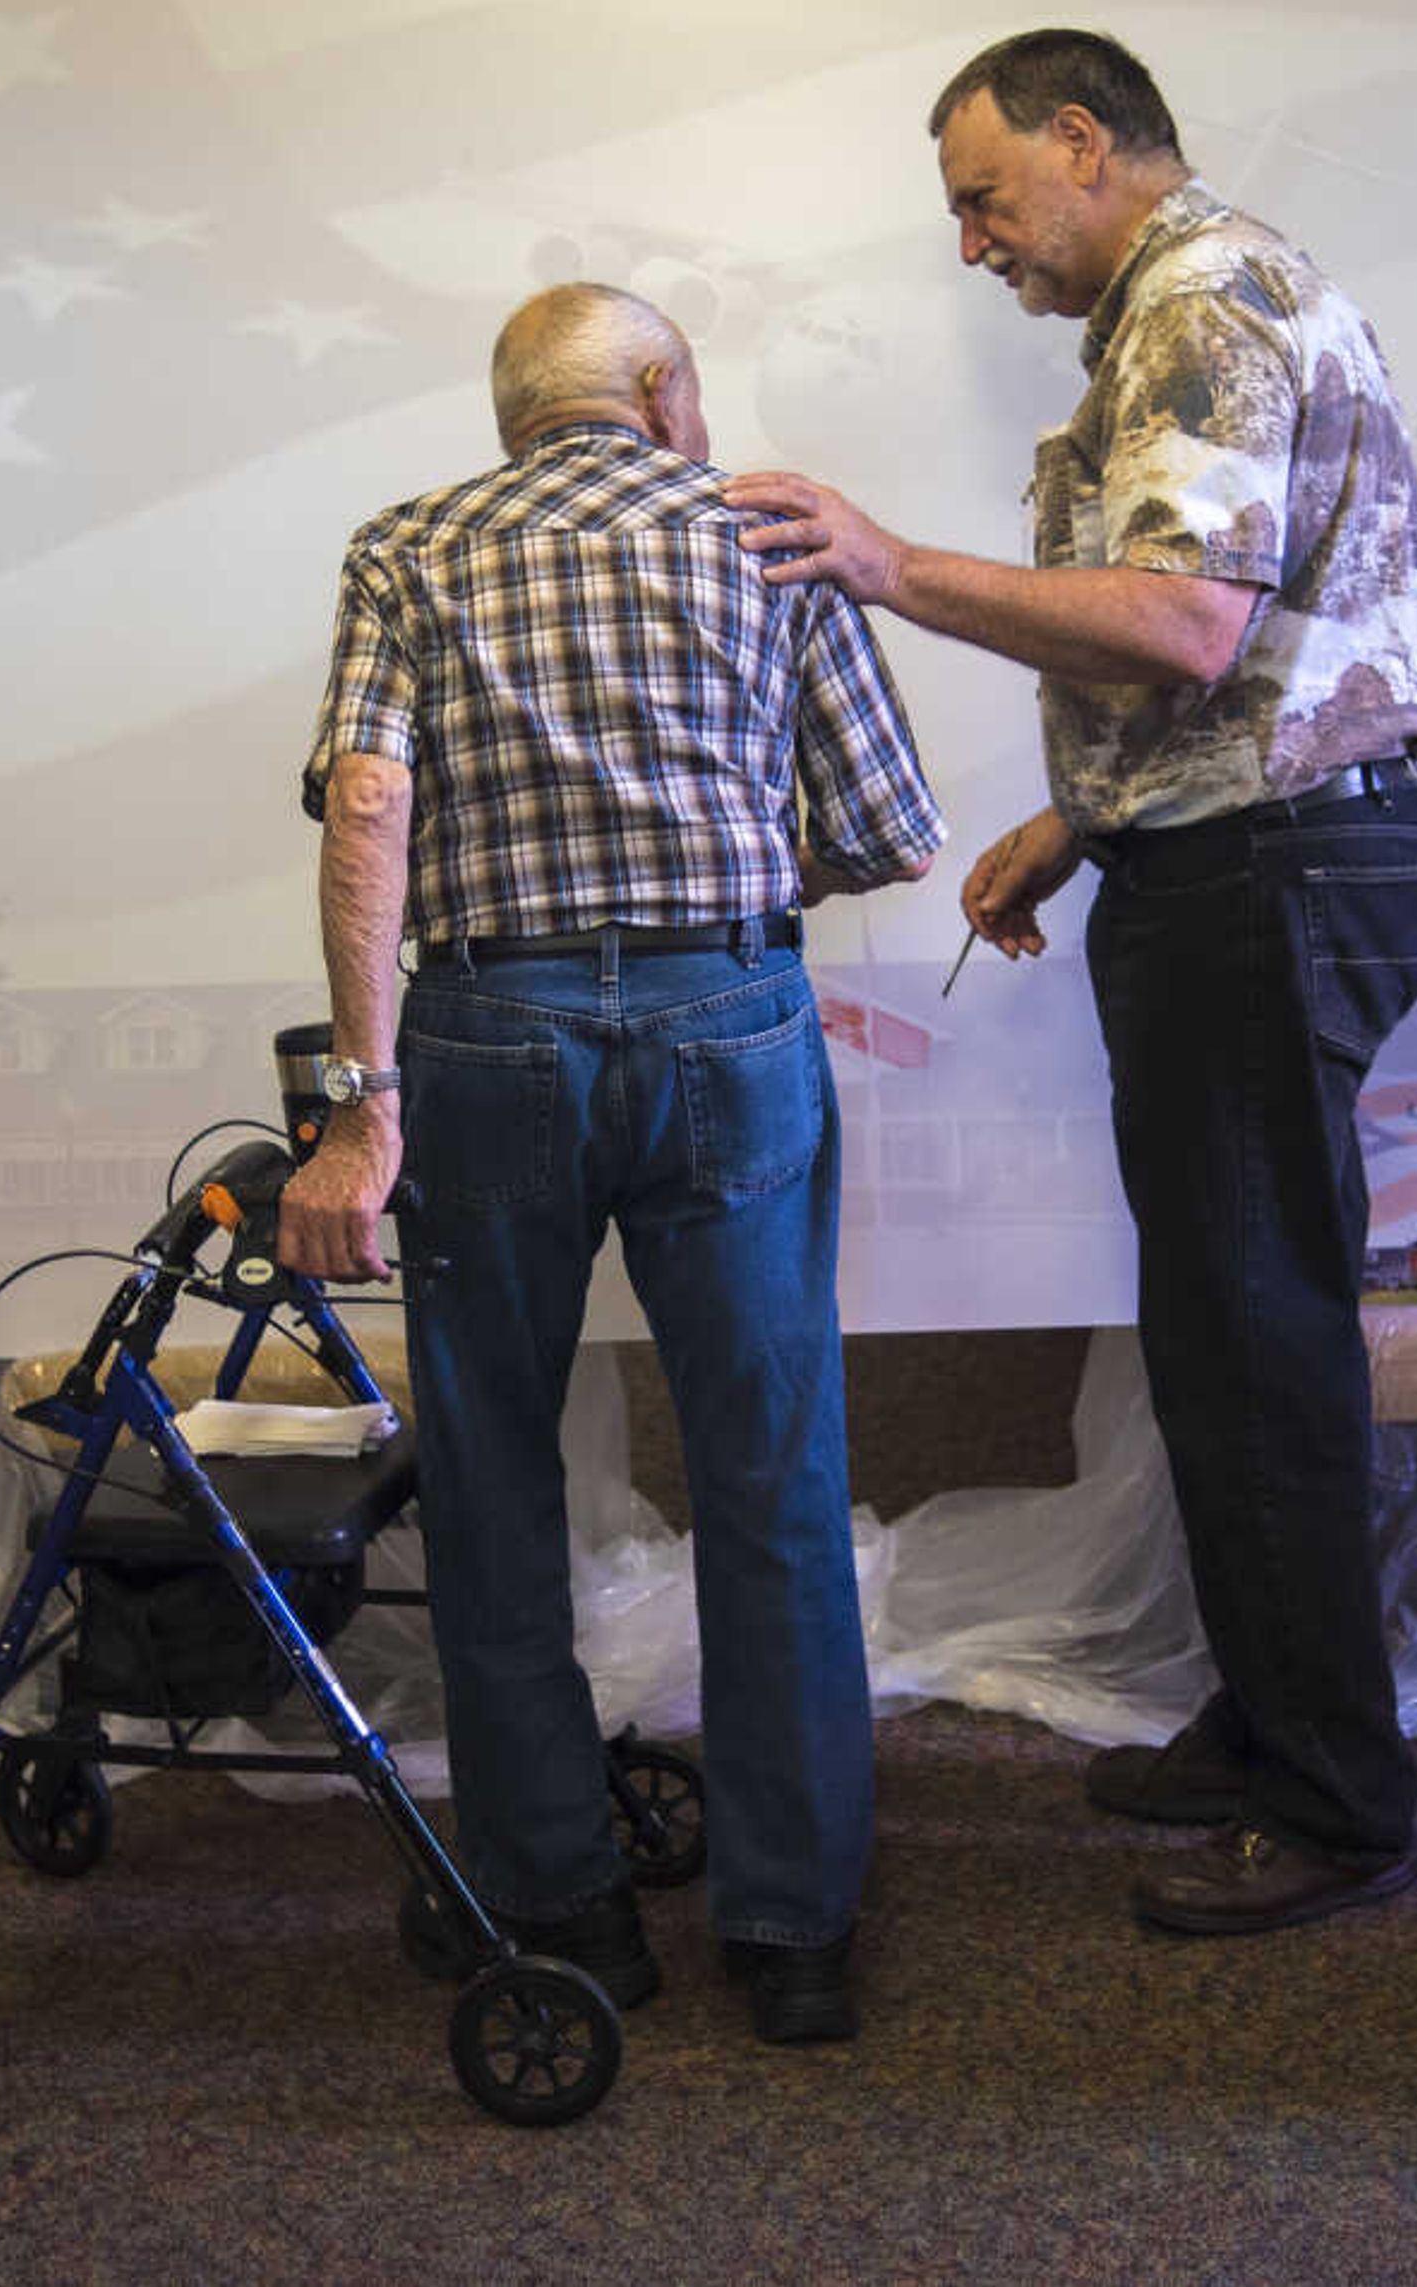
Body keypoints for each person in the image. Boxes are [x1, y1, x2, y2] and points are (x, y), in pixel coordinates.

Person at [722, 28, 1417, 1937]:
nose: (972, 241)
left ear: (1079, 140)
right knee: (1221, 1325)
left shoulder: (1204, 301)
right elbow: (1236, 646)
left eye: (982, 195)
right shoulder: (1183, 302)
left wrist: (883, 561)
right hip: (1230, 853)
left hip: (1274, 876)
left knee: (1262, 1329)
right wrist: (1089, 819)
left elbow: (1185, 620)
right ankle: (1273, 1720)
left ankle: (1337, 1801)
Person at [278, 284, 945, 2043]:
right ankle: (794, 1938)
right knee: (770, 1474)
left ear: (515, 414)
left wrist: (361, 1102)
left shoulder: (406, 546)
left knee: (496, 1480)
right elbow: (884, 826)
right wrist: (712, 859)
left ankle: (563, 1904)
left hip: (484, 1038)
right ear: (661, 391)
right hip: (728, 1012)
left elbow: (367, 807)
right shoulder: (762, 536)